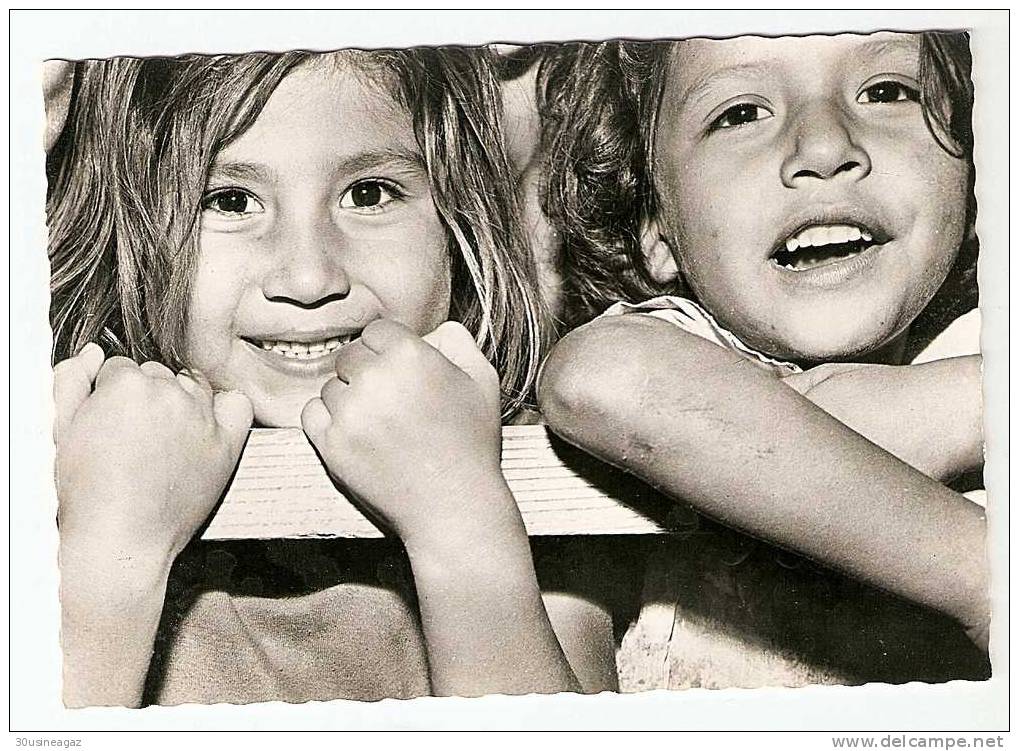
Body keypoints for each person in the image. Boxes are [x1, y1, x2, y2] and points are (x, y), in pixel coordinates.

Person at [48, 48, 618, 707]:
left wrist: (458, 518)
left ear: (461, 226)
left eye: (368, 194)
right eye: (230, 200)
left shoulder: (525, 464)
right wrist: (109, 548)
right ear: (120, 232)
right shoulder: (70, 463)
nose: (310, 277)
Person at [536, 32, 989, 655]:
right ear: (654, 223)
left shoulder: (984, 343)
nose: (827, 147)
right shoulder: (688, 352)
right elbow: (598, 379)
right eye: (740, 113)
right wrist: (985, 571)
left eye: (887, 92)